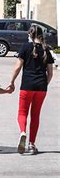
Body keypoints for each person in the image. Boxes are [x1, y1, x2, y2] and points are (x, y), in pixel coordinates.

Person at [7, 25, 54, 155]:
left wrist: (11, 82)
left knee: (22, 112)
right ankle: (32, 144)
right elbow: (50, 73)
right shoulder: (46, 50)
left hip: (27, 86)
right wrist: (45, 84)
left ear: (30, 35)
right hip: (41, 87)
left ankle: (23, 132)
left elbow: (17, 67)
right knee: (35, 115)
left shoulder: (25, 47)